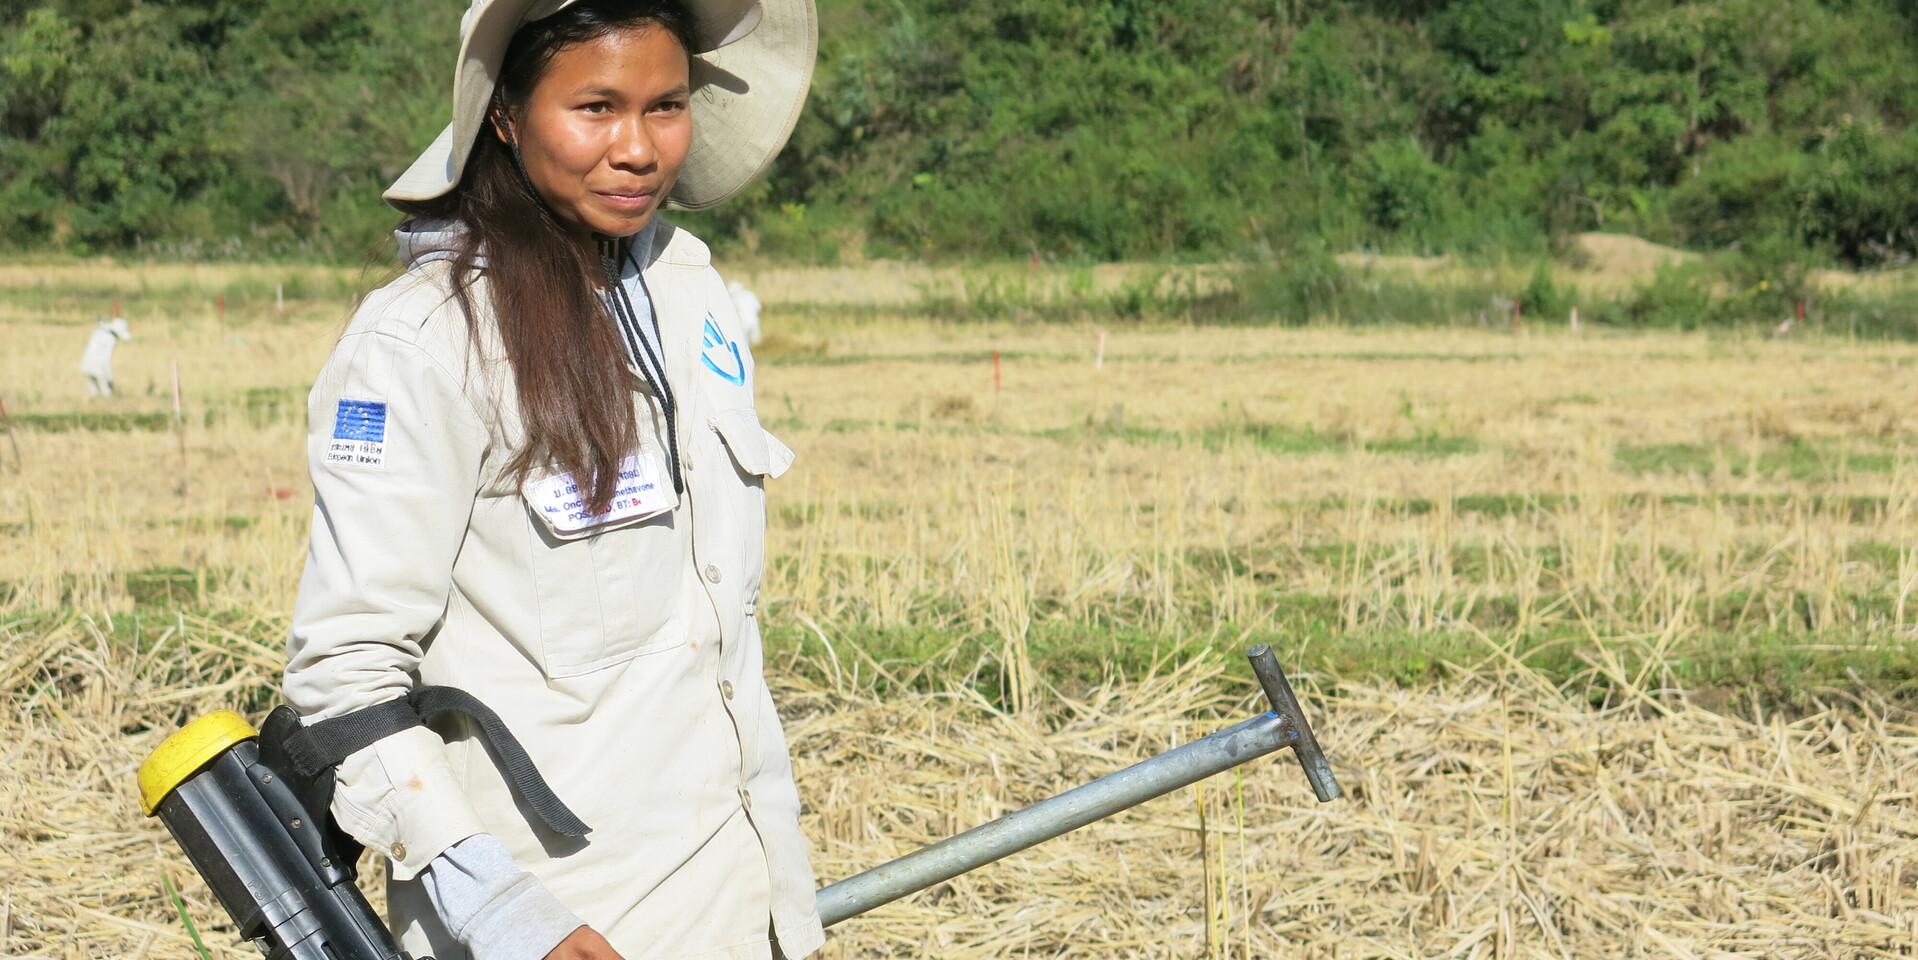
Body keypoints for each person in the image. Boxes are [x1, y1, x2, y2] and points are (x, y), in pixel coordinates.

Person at [280, 2, 821, 959]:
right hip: (560, 920)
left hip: (737, 900)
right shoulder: (424, 342)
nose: (637, 149)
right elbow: (345, 672)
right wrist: (504, 912)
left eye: (665, 106)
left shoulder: (691, 289)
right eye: (596, 107)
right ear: (504, 114)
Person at [79, 316, 130, 396]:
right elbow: (105, 360)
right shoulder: (111, 340)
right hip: (99, 368)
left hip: (87, 365)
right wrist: (110, 378)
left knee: (93, 392)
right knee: (106, 393)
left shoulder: (98, 332)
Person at [727, 279, 762, 345]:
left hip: (743, 324)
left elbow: (732, 314)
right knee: (757, 343)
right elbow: (758, 307)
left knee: (745, 345)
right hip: (754, 322)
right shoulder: (751, 295)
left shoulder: (734, 299)